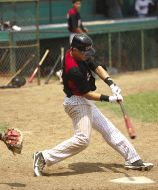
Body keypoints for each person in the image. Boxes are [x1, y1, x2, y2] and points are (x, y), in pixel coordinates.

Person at [33, 34, 154, 177]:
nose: (87, 54)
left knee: (108, 129)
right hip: (76, 103)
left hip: (83, 100)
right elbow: (87, 94)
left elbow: (95, 66)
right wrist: (110, 99)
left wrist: (111, 83)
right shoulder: (73, 69)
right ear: (75, 50)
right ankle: (43, 157)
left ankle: (133, 159)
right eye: (84, 52)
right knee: (83, 140)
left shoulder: (80, 54)